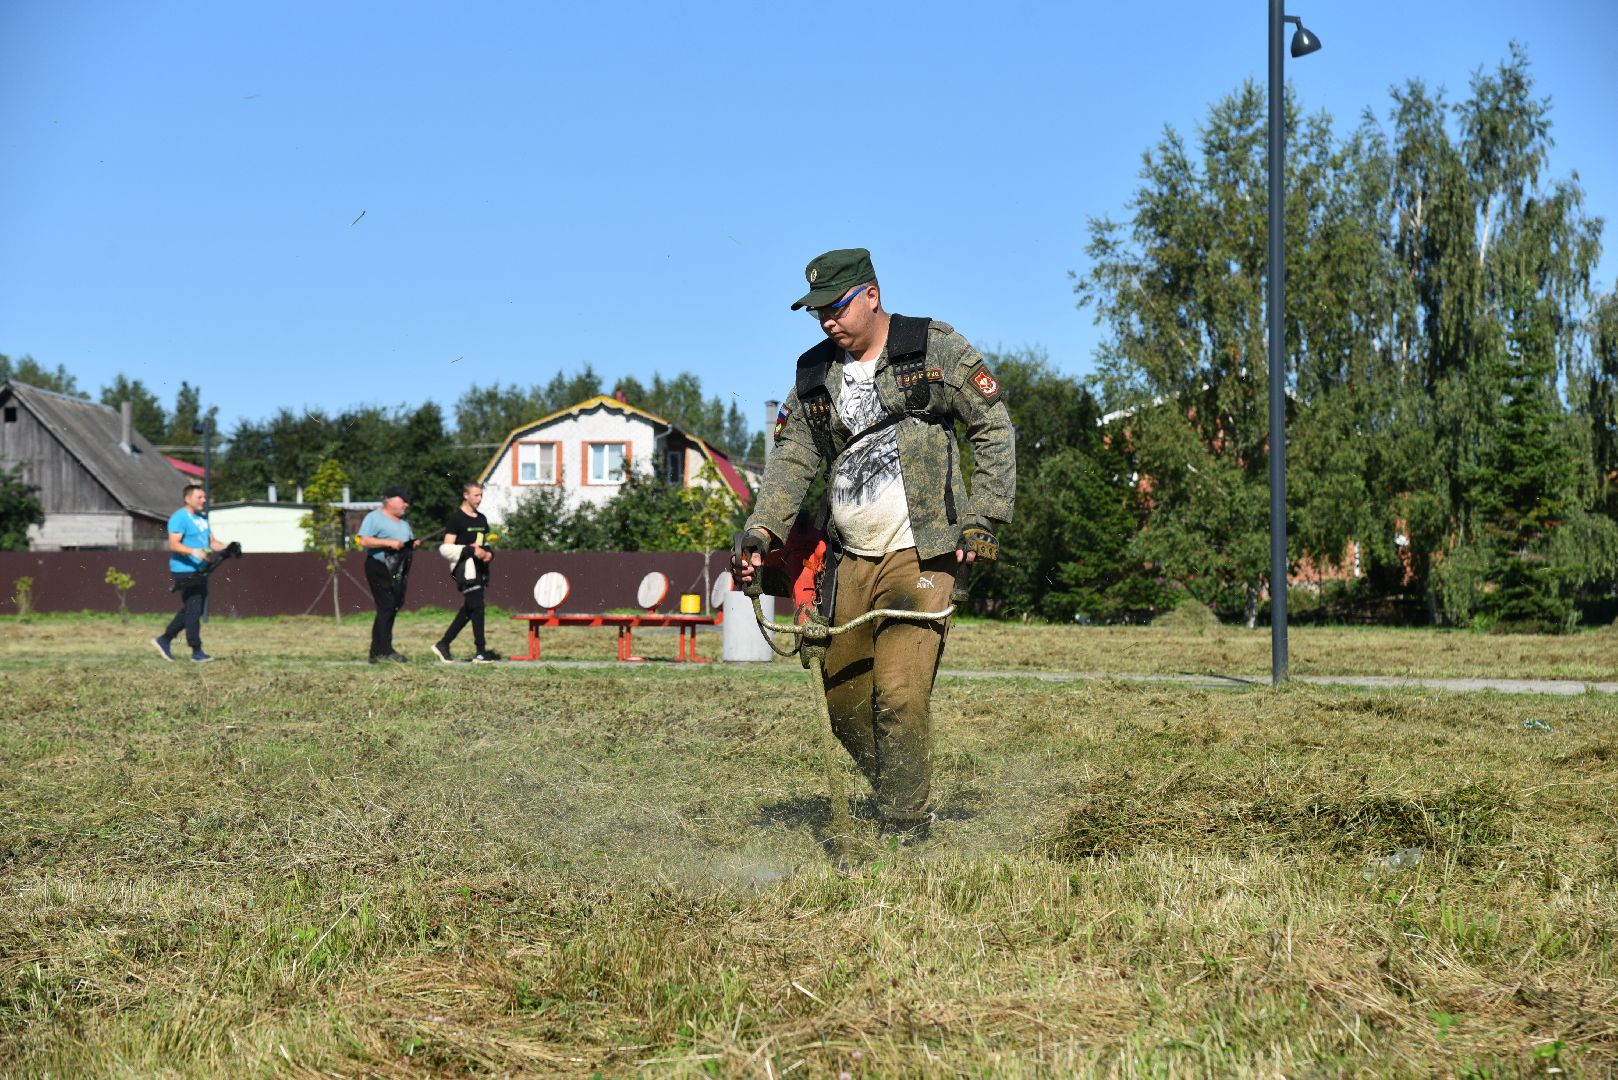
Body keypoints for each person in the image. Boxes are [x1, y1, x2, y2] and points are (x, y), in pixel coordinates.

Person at [733, 248, 1016, 844]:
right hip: (850, 559)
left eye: (834, 307)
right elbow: (794, 457)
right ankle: (899, 790)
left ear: (871, 294)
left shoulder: (929, 348)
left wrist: (983, 518)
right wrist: (764, 530)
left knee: (899, 696)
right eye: (816, 313)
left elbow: (992, 424)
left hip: (924, 551)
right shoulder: (814, 374)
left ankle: (907, 829)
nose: (826, 321)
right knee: (845, 707)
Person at [152, 484, 229, 662]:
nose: (204, 500)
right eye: (200, 497)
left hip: (200, 570)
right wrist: (193, 552)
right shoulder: (179, 518)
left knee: (192, 609)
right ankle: (196, 650)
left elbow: (213, 543)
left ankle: (164, 639)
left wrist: (228, 546)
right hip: (184, 570)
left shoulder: (202, 518)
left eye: (204, 497)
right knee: (194, 608)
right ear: (188, 499)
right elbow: (174, 544)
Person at [431, 481, 499, 663]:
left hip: (480, 570)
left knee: (470, 609)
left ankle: (443, 644)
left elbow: (483, 544)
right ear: (466, 495)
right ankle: (481, 652)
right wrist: (470, 551)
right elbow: (447, 547)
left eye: (481, 495)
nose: (479, 499)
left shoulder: (481, 519)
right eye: (476, 495)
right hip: (463, 570)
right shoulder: (456, 519)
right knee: (478, 607)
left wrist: (488, 554)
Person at [357, 486, 418, 663]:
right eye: (403, 500)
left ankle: (378, 651)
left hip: (398, 568)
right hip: (379, 566)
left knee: (392, 606)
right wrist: (389, 543)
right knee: (387, 606)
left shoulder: (404, 521)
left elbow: (405, 540)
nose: (406, 504)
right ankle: (383, 650)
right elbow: (363, 540)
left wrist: (412, 544)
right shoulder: (374, 517)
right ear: (390, 500)